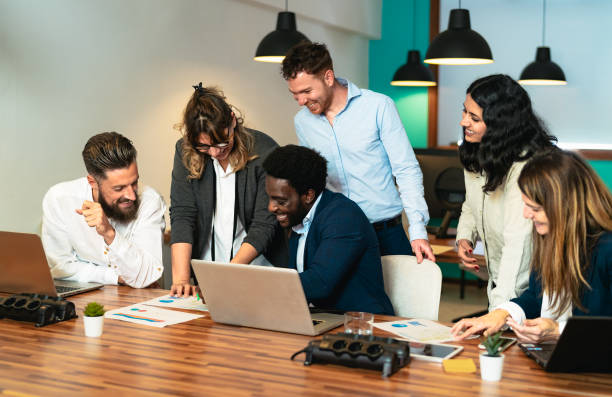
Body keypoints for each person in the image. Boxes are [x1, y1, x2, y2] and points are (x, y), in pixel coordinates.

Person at [281, 42, 434, 263]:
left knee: (401, 298)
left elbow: (406, 169)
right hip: (338, 235)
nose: (301, 101)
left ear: (328, 77)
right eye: (295, 94)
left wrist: (418, 231)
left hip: (385, 233)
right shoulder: (303, 122)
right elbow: (314, 180)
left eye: (307, 91)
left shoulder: (378, 106)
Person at [452, 150, 612, 343]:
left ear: (566, 206)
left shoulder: (606, 250)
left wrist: (559, 330)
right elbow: (536, 298)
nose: (526, 215)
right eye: (525, 205)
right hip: (553, 356)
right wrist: (502, 313)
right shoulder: (550, 237)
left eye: (535, 208)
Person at [170, 83, 286, 297]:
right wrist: (181, 279)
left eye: (222, 144)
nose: (214, 153)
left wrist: (226, 277)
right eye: (204, 147)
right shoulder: (184, 150)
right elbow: (182, 214)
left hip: (257, 270)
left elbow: (264, 224)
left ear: (232, 120)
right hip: (208, 272)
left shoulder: (265, 151)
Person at [455, 74, 557, 309]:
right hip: (499, 274)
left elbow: (518, 243)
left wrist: (501, 308)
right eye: (464, 112)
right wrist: (464, 236)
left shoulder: (525, 164)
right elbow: (471, 203)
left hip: (528, 287)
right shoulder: (477, 150)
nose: (463, 122)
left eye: (474, 118)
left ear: (500, 125)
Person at [263, 145, 394, 315]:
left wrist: (261, 288)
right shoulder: (298, 218)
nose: (271, 207)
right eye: (271, 198)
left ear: (308, 195)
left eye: (281, 201)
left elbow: (320, 282)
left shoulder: (343, 217)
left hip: (362, 325)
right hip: (325, 320)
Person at [42, 132, 166, 288]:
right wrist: (114, 276)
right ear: (92, 182)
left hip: (141, 301)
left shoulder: (150, 201)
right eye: (119, 188)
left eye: (134, 182)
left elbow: (146, 277)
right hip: (86, 299)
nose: (131, 195)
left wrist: (109, 233)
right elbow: (58, 267)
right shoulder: (59, 199)